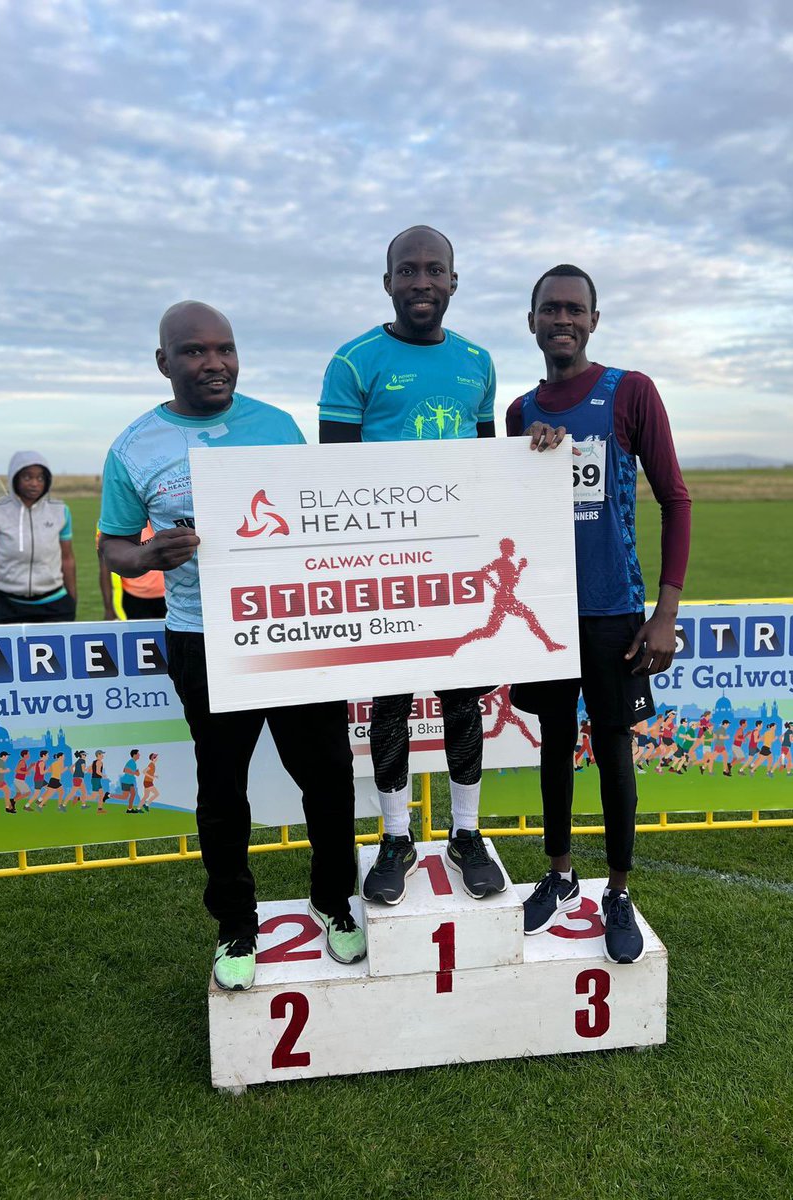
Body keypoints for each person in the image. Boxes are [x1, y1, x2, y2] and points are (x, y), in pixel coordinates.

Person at [99, 301, 365, 989]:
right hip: (203, 642)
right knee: (223, 793)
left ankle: (333, 900)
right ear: (165, 363)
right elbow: (114, 548)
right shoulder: (134, 448)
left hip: (292, 633)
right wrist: (151, 552)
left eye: (225, 348)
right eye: (193, 351)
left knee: (330, 779)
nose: (213, 362)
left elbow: (315, 517)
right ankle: (235, 926)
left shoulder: (275, 426)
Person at [319, 226, 566, 905]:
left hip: (459, 563)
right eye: (408, 270)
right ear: (388, 281)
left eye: (434, 270)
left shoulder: (477, 363)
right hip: (388, 567)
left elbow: (485, 466)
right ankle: (395, 837)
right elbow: (332, 478)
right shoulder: (353, 361)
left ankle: (465, 832)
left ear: (454, 281)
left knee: (462, 699)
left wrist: (534, 454)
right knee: (391, 702)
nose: (421, 282)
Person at [508, 264, 691, 959]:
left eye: (574, 309)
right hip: (547, 612)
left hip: (615, 611)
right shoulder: (521, 412)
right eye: (549, 309)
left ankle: (617, 888)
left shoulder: (630, 392)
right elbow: (515, 505)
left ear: (593, 320)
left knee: (613, 747)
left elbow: (675, 498)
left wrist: (665, 612)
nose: (562, 319)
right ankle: (559, 875)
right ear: (531, 322)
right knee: (554, 744)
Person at [0, 453, 76, 624]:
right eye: (27, 477)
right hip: (6, 605)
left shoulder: (60, 511)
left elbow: (67, 558)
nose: (34, 483)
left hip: (54, 605)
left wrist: (72, 599)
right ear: (15, 478)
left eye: (40, 478)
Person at [98, 522, 166, 620]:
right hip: (133, 596)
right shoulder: (108, 522)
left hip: (170, 593)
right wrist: (108, 608)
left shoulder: (161, 514)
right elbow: (104, 568)